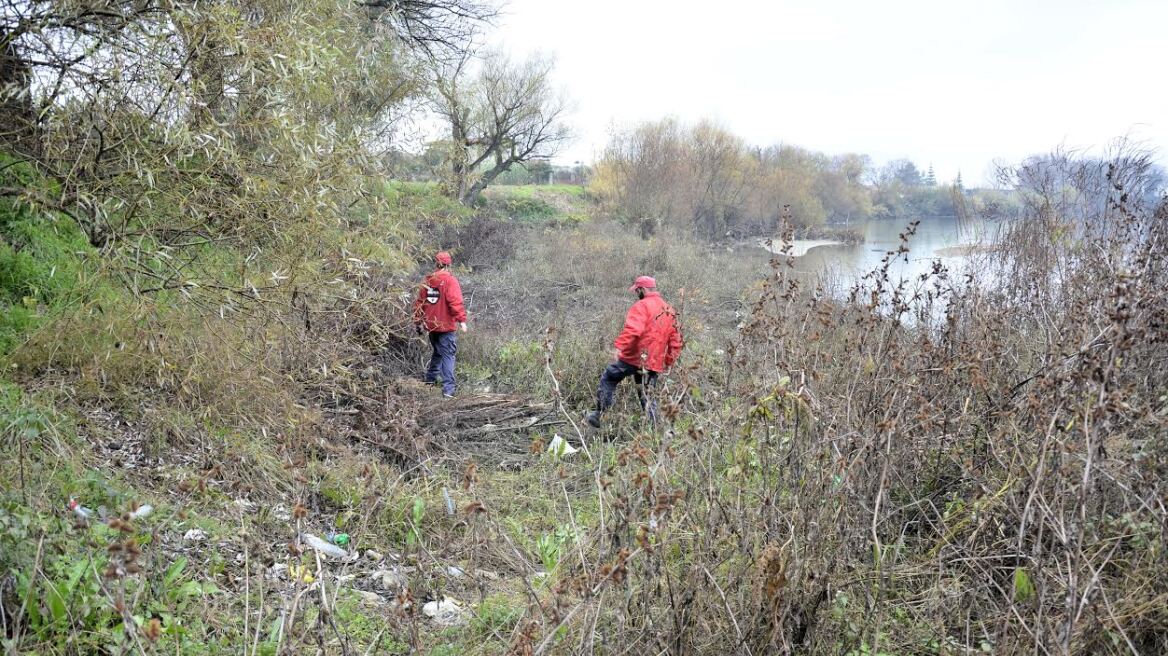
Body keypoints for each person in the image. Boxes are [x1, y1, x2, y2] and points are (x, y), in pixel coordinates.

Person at [585, 275, 683, 428]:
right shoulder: (669, 310)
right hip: (653, 362)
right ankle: (655, 429)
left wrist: (619, 347)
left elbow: (633, 329)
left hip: (633, 357)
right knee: (647, 394)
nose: (637, 294)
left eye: (637, 291)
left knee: (610, 377)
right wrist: (670, 361)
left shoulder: (641, 306)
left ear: (642, 289)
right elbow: (675, 341)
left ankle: (599, 415)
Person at [413, 251, 468, 397]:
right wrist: (461, 320)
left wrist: (418, 322)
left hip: (431, 326)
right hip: (445, 327)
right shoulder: (450, 281)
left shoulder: (428, 280)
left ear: (436, 263)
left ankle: (429, 382)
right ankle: (448, 391)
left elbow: (419, 303)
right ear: (449, 264)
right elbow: (455, 301)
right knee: (448, 355)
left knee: (438, 352)